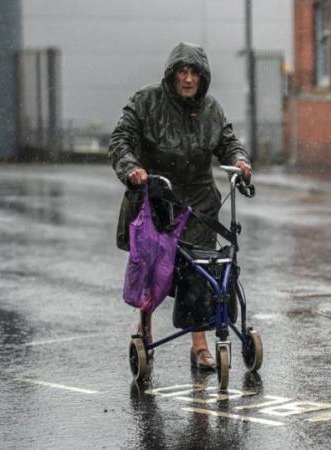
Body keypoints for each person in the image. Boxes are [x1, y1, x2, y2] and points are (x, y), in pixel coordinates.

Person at [109, 42, 251, 370]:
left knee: (200, 275)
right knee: (152, 268)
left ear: (203, 79)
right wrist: (132, 168)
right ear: (172, 76)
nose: (188, 80)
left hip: (200, 201)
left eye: (194, 74)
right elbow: (120, 140)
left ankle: (200, 346)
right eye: (182, 73)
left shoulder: (211, 110)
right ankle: (144, 327)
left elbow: (228, 143)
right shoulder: (146, 102)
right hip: (158, 198)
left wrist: (240, 161)